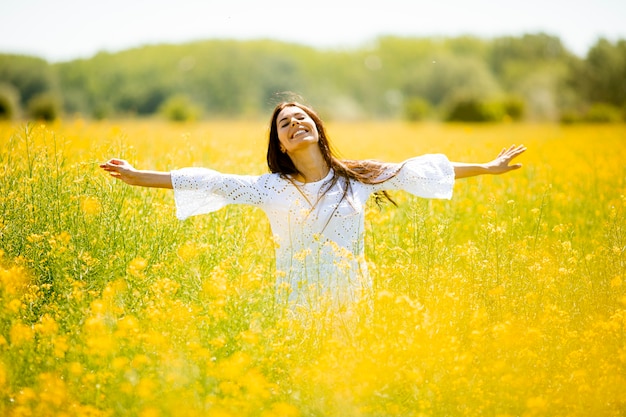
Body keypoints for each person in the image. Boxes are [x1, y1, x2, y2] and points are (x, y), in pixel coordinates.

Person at [100, 101, 526, 310]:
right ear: (281, 146)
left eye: (301, 117)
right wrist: (139, 176)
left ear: (317, 130)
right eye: (284, 124)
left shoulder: (356, 176)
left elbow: (421, 171)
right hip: (297, 302)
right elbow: (211, 181)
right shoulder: (269, 188)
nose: (294, 124)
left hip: (353, 298)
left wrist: (487, 168)